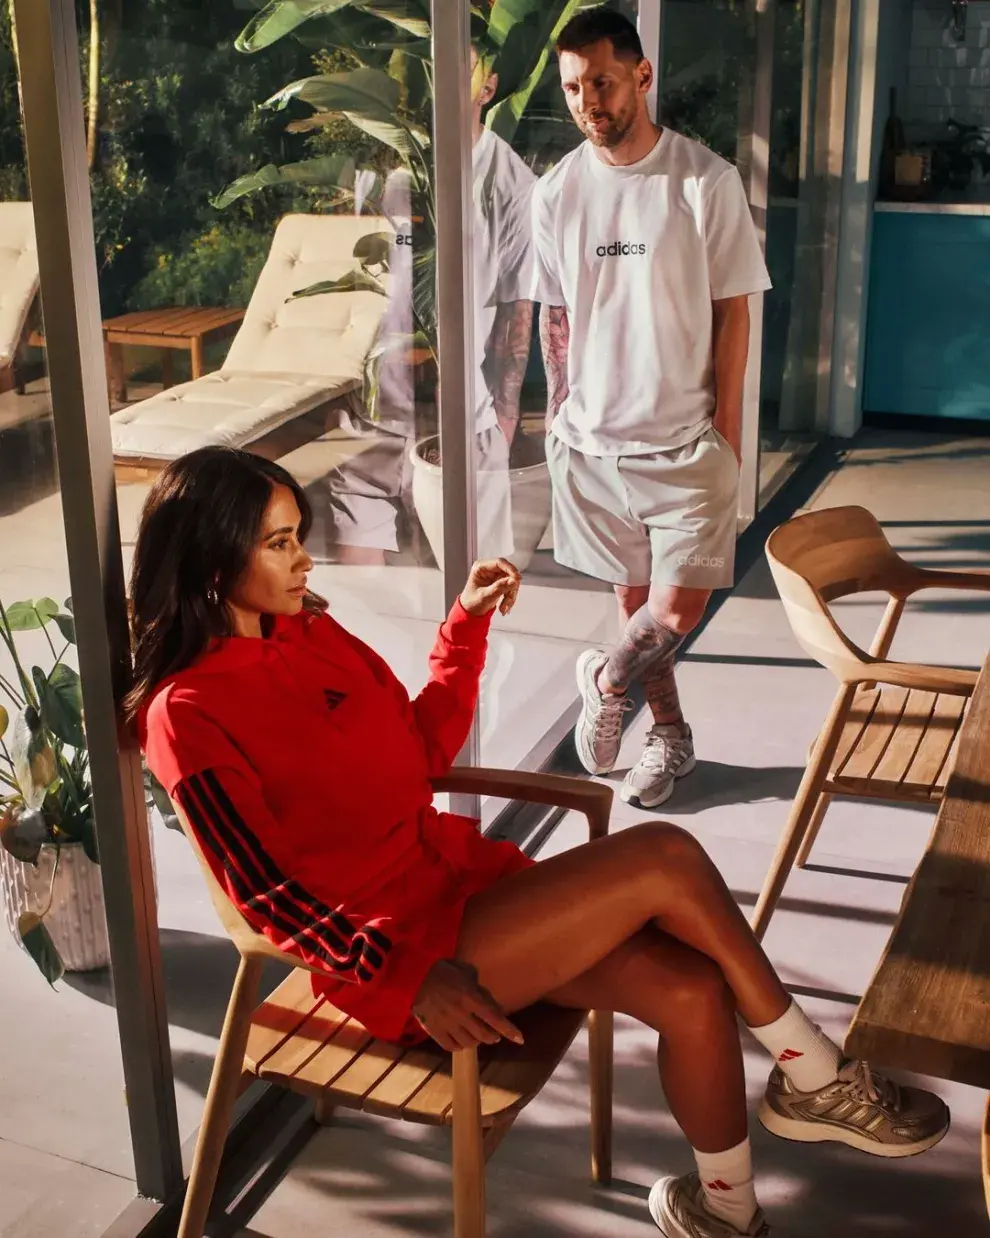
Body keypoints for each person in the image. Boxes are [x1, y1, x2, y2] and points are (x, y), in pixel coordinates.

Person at [130, 447, 949, 1238]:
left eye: (298, 534)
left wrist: (464, 629)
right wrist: (405, 974)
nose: (305, 559)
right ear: (211, 563)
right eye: (279, 544)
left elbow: (419, 754)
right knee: (663, 854)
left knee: (694, 990)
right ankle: (817, 1078)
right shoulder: (187, 713)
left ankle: (726, 1215)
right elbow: (262, 897)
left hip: (462, 890)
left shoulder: (311, 635)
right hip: (402, 958)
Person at [531, 7, 770, 810]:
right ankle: (671, 739)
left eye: (600, 81)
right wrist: (559, 414)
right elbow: (556, 313)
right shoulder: (558, 191)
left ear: (641, 76)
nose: (587, 101)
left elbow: (734, 313)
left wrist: (730, 437)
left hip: (687, 443)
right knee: (636, 607)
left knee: (674, 608)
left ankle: (601, 681)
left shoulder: (706, 182)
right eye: (572, 87)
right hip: (592, 447)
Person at [328, 48, 536, 565]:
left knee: (467, 579)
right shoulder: (400, 177)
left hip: (464, 418)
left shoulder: (510, 184)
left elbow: (518, 305)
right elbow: (380, 281)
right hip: (382, 408)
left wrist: (503, 418)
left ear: (487, 88)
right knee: (363, 575)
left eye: (459, 69)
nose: (438, 79)